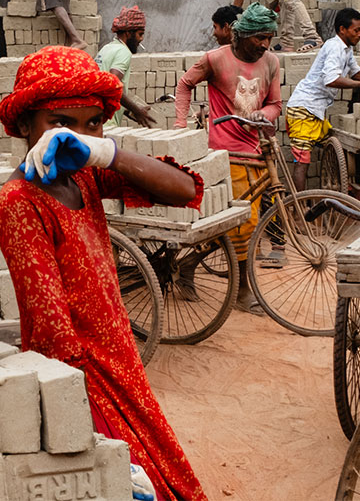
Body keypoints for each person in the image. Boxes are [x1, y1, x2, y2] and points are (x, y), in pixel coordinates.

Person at [0, 46, 206, 500]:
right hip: (84, 380)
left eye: (92, 123)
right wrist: (89, 428)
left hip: (120, 359)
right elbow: (54, 336)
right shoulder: (19, 201)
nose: (75, 136)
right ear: (25, 125)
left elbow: (185, 189)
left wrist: (104, 152)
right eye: (60, 123)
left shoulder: (84, 175)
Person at [174, 3, 283, 314]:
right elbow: (184, 84)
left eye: (269, 37)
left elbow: (275, 104)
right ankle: (242, 291)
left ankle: (188, 264)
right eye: (260, 37)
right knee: (243, 225)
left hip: (257, 151)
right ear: (242, 35)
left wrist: (264, 114)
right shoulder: (215, 59)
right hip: (225, 153)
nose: (265, 44)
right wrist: (180, 126)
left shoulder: (271, 62)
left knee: (237, 224)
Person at [285, 8, 360, 191]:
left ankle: (344, 190)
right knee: (302, 161)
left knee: (337, 147)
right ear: (342, 29)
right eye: (356, 30)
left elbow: (356, 72)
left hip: (315, 111)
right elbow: (331, 80)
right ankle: (299, 204)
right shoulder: (334, 47)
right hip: (302, 110)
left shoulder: (347, 49)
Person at [95, 5, 156, 128]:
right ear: (128, 33)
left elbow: (104, 89)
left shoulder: (106, 48)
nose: (141, 39)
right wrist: (137, 111)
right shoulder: (123, 52)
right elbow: (112, 86)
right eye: (140, 34)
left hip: (95, 118)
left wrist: (128, 111)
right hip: (108, 122)